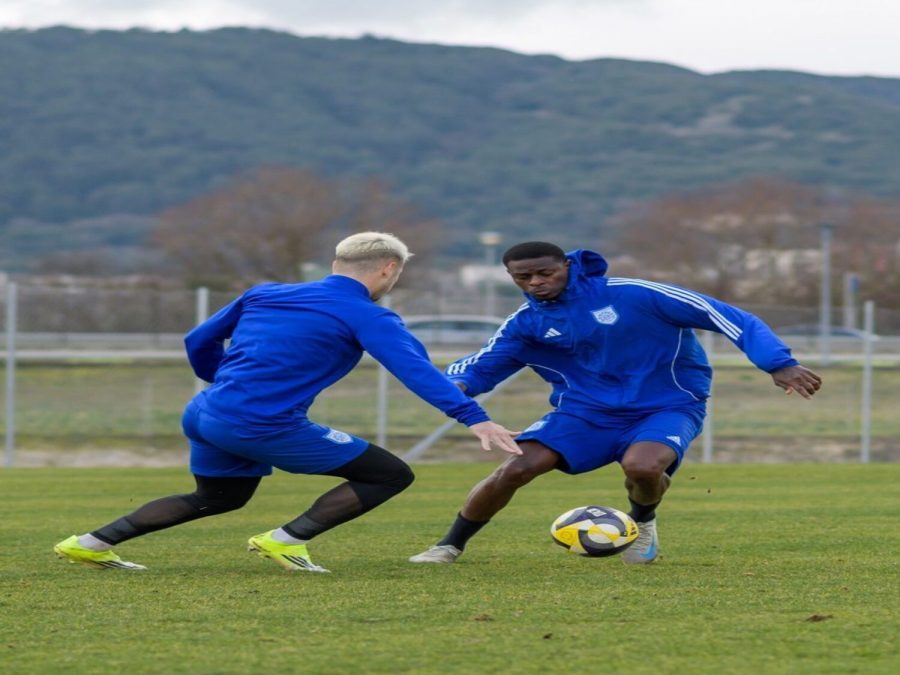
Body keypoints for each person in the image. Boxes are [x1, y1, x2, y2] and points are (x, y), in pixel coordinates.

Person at [54, 232, 520, 573]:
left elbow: (198, 338)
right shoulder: (370, 315)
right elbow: (417, 373)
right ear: (388, 270)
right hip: (258, 423)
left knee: (219, 496)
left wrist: (220, 382)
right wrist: (474, 418)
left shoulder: (266, 293)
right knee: (390, 474)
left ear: (337, 262)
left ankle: (91, 542)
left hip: (205, 411)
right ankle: (287, 540)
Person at [409, 241, 822, 565]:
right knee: (519, 466)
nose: (535, 282)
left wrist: (777, 363)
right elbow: (482, 366)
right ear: (511, 277)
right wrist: (455, 387)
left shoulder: (634, 294)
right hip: (585, 412)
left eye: (544, 272)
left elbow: (724, 315)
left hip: (668, 403)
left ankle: (641, 522)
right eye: (523, 276)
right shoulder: (526, 323)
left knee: (642, 467)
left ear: (566, 266)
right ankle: (449, 546)